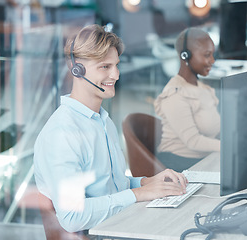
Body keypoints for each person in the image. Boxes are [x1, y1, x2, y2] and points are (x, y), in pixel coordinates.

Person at [33, 24, 187, 233]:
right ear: (76, 69)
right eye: (105, 67)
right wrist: (140, 194)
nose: (115, 75)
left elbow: (111, 188)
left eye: (116, 65)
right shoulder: (62, 134)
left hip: (122, 225)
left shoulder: (102, 121)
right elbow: (73, 217)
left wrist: (147, 183)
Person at [154, 27, 220, 172]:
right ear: (185, 56)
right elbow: (193, 141)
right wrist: (231, 147)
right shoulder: (175, 94)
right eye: (207, 55)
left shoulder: (203, 88)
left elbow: (218, 129)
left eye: (212, 55)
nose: (212, 61)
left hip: (203, 159)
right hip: (178, 165)